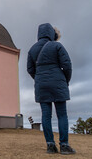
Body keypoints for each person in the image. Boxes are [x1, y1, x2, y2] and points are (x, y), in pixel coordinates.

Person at [27, 23, 76, 155]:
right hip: (58, 82)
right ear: (51, 34)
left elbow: (30, 69)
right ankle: (64, 145)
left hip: (41, 85)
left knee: (46, 115)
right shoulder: (57, 45)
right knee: (61, 114)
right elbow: (67, 65)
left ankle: (50, 145)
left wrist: (39, 78)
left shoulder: (32, 50)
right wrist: (65, 80)